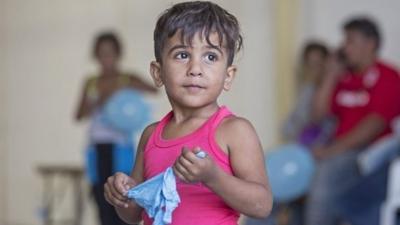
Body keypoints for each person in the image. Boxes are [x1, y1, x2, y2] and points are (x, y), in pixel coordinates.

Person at [103, 1, 273, 225]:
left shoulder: (234, 131)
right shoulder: (151, 136)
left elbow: (262, 206)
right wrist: (122, 195)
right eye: (182, 55)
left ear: (228, 76)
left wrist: (214, 177)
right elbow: (133, 215)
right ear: (158, 72)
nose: (195, 69)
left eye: (210, 57)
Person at [306, 17, 400, 225]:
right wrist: (330, 76)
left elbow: (375, 124)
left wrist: (330, 152)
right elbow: (317, 117)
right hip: (338, 148)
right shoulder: (343, 77)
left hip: (370, 152)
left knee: (324, 179)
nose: (343, 48)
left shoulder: (388, 76)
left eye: (350, 41)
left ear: (370, 44)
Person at [75, 32, 157, 225]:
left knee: (123, 194)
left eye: (110, 53)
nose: (106, 58)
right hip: (97, 147)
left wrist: (123, 85)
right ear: (96, 55)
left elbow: (154, 89)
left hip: (121, 147)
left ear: (118, 54)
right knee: (100, 196)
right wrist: (97, 99)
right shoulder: (91, 82)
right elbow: (79, 115)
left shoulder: (126, 78)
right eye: (102, 53)